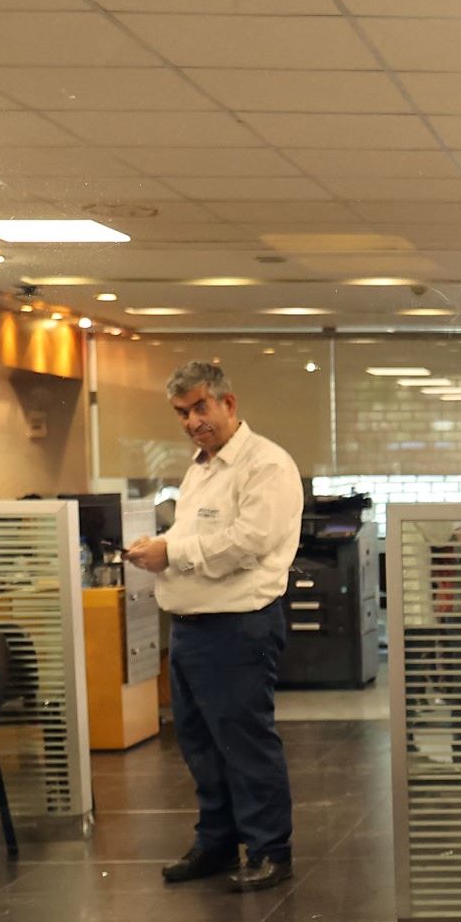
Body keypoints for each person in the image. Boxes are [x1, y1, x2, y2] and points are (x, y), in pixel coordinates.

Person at [126, 361, 302, 891]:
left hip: (238, 627)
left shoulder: (265, 464)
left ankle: (270, 849)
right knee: (201, 745)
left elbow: (248, 542)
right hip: (191, 628)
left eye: (200, 407)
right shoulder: (201, 467)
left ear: (229, 403)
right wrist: (158, 552)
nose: (191, 421)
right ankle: (218, 843)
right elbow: (195, 536)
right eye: (182, 412)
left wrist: (170, 553)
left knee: (245, 743)